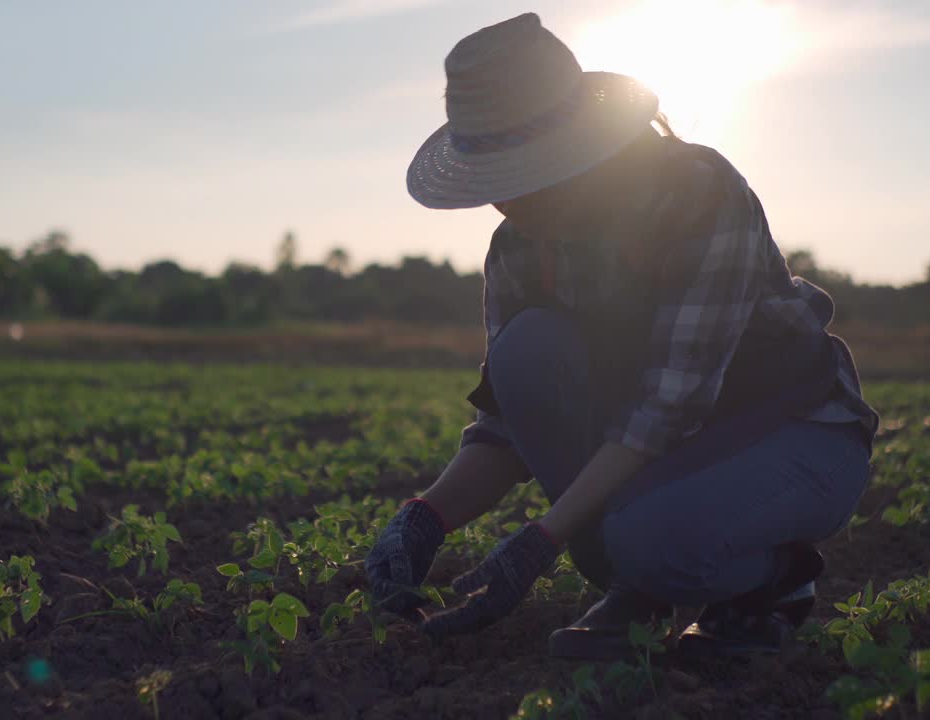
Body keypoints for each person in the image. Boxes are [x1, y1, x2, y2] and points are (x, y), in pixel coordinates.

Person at [364, 12, 879, 660]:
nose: (511, 204)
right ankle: (639, 589)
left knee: (648, 543)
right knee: (526, 352)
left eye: (523, 174)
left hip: (792, 433)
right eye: (496, 185)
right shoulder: (518, 249)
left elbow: (670, 405)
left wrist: (541, 540)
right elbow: (511, 422)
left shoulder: (697, 193)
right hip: (669, 452)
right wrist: (425, 517)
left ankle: (774, 585)